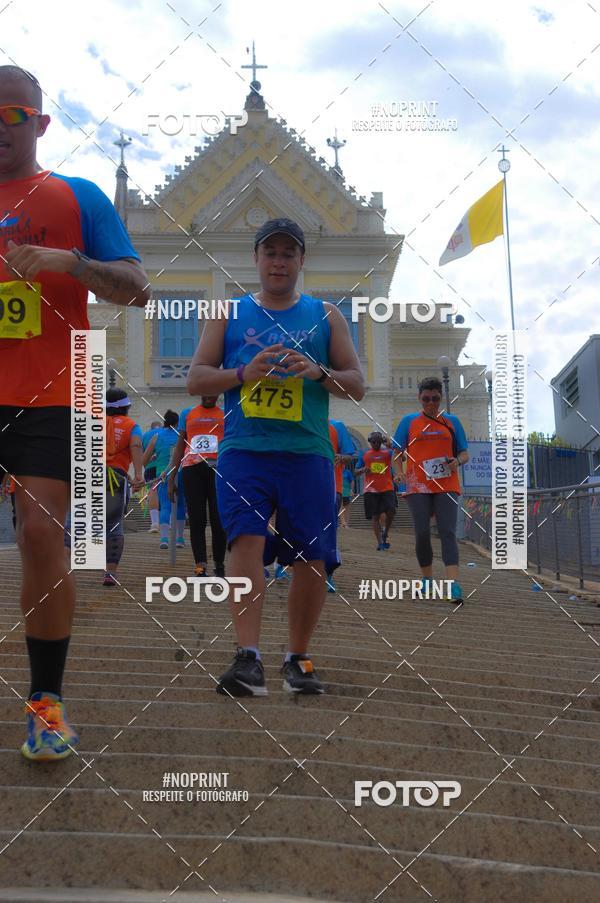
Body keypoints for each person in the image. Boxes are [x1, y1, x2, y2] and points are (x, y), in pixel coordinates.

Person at [0, 66, 150, 761]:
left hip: (59, 387)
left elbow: (136, 290)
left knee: (39, 531)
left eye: (12, 116)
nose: (2, 130)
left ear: (38, 122)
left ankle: (47, 704)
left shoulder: (78, 196)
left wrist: (71, 261)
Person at [187, 217, 365, 696]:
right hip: (245, 450)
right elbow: (197, 379)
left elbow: (357, 385)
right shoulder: (227, 313)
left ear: (301, 261)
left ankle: (297, 659)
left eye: (289, 253)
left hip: (307, 452)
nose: (279, 261)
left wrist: (318, 371)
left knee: (311, 555)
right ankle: (249, 657)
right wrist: (243, 372)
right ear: (257, 260)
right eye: (271, 253)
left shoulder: (326, 316)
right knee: (244, 541)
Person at [392, 377, 470, 603]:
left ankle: (453, 585)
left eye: (435, 398)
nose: (431, 403)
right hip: (417, 485)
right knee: (423, 533)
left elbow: (465, 453)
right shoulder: (408, 422)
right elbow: (397, 453)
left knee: (447, 532)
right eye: (426, 398)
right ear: (419, 398)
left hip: (447, 484)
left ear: (441, 398)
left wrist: (457, 461)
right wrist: (398, 472)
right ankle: (427, 581)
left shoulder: (452, 422)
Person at [167, 395, 227, 577]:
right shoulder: (188, 413)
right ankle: (200, 565)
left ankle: (219, 564)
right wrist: (171, 477)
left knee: (218, 520)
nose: (209, 396)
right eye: (205, 392)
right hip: (192, 469)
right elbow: (180, 447)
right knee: (196, 519)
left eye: (212, 393)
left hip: (218, 469)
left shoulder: (225, 413)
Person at [102, 389, 144, 585]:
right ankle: (110, 573)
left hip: (86, 476)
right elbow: (135, 446)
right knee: (113, 525)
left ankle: (62, 568)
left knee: (77, 523)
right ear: (126, 407)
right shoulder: (131, 425)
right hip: (114, 479)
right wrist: (138, 475)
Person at [142, 410, 186, 549]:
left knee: (165, 505)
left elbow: (144, 460)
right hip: (182, 473)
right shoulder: (183, 435)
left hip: (163, 475)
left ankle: (164, 539)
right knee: (180, 506)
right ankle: (179, 539)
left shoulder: (156, 436)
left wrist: (154, 459)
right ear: (177, 422)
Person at [356, 431, 400, 550]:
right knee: (375, 516)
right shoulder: (364, 453)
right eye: (373, 442)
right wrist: (363, 470)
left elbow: (402, 457)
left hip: (387, 487)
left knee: (391, 511)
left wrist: (390, 444)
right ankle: (380, 542)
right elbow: (355, 471)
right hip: (371, 489)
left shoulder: (388, 452)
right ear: (369, 442)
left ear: (381, 442)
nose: (376, 444)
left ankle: (385, 531)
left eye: (378, 441)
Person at [326, 418, 354, 592]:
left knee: (329, 530)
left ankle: (328, 575)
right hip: (303, 487)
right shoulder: (299, 421)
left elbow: (350, 455)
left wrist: (341, 457)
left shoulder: (337, 426)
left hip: (332, 487)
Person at [142, 420, 162, 533]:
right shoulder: (164, 432)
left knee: (153, 490)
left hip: (149, 467)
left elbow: (141, 456)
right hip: (164, 466)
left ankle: (155, 523)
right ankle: (167, 522)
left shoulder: (145, 436)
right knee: (165, 491)